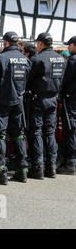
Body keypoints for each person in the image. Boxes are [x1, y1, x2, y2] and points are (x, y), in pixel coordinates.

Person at [0, 32, 31, 184]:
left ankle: (0, 170)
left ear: (5, 43)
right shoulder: (26, 60)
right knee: (19, 134)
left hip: (2, 102)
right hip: (19, 102)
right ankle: (22, 169)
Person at [26, 32, 66, 179]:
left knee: (36, 131)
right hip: (53, 98)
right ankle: (51, 167)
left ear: (41, 43)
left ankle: (38, 167)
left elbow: (28, 80)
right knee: (49, 132)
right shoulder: (61, 59)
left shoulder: (37, 59)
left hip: (39, 99)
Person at [58, 36, 76, 175]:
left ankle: (70, 162)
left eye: (69, 45)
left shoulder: (72, 61)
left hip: (71, 100)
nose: (68, 48)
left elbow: (64, 80)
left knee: (70, 130)